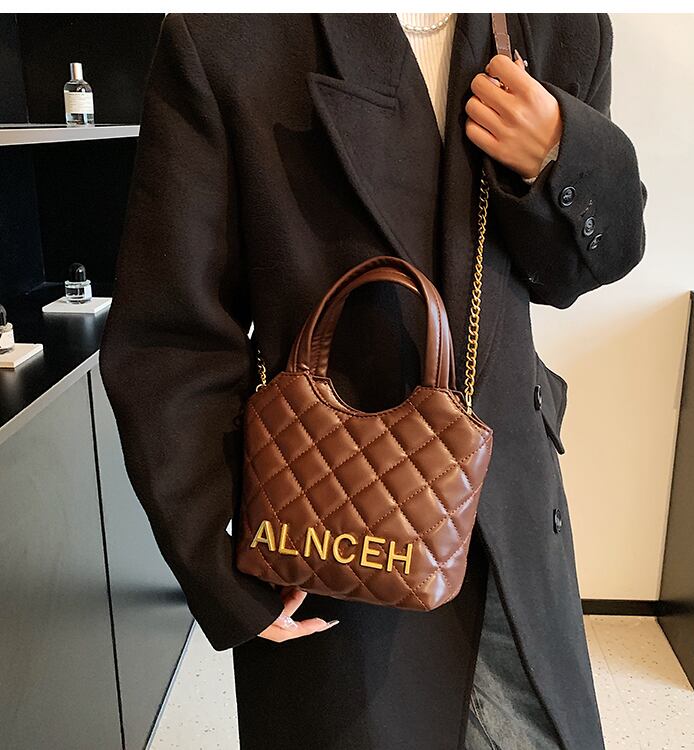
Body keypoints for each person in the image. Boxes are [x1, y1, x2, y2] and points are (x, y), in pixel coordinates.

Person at [99, 12, 646, 750]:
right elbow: (171, 335)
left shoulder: (561, 26)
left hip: (511, 517)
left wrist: (559, 154)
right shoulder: (231, 34)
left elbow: (572, 276)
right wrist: (217, 551)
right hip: (336, 521)